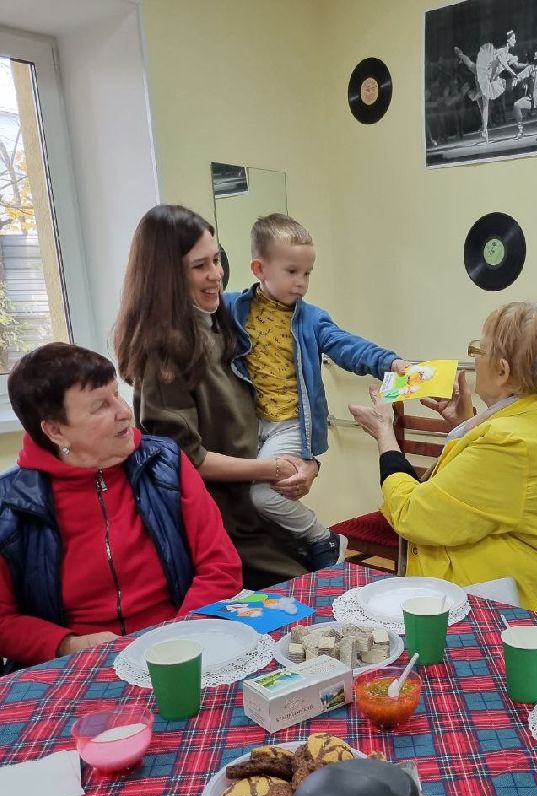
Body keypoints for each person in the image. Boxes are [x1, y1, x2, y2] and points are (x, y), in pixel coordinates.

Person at [348, 301, 537, 625]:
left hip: (528, 616)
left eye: (479, 349)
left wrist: (385, 434)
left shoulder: (512, 443)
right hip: (532, 595)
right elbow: (491, 492)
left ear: (502, 371)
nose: (474, 358)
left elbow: (413, 514)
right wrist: (466, 422)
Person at [0, 343, 242, 670]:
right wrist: (67, 644)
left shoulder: (165, 462)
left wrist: (173, 637)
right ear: (56, 430)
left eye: (117, 394)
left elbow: (221, 566)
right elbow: (4, 620)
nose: (124, 412)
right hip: (77, 662)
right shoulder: (9, 503)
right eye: (100, 405)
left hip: (182, 636)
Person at [115, 204, 308, 589]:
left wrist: (302, 465)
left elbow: (267, 411)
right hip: (221, 530)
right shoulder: (164, 353)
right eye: (200, 266)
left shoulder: (221, 324)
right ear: (167, 276)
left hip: (257, 512)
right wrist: (273, 470)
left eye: (217, 260)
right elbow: (187, 461)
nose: (216, 275)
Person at [220, 213, 407, 571]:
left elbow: (348, 346)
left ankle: (323, 538)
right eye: (292, 272)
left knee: (262, 495)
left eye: (307, 273)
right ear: (260, 268)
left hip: (289, 424)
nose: (302, 283)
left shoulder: (311, 319)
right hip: (249, 425)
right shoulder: (232, 308)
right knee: (240, 501)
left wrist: (390, 362)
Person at [453, 30, 520, 144]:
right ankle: (484, 130)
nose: (515, 40)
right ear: (507, 40)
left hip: (489, 78)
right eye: (513, 38)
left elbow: (515, 64)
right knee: (484, 103)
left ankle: (484, 130)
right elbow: (503, 64)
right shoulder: (500, 52)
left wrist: (529, 66)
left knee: (483, 104)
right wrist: (513, 73)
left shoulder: (508, 54)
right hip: (484, 75)